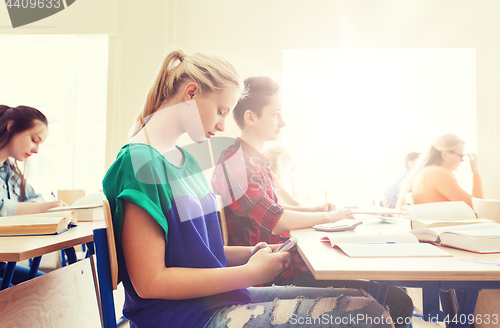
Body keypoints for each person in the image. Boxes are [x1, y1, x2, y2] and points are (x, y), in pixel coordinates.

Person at [102, 51, 393, 328]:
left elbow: (199, 254)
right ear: (191, 93)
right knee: (368, 315)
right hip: (183, 317)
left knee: (365, 303)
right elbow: (150, 281)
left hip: (210, 303)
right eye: (220, 110)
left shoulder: (185, 160)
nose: (222, 124)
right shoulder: (139, 164)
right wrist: (249, 273)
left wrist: (249, 254)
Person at [211, 76, 414, 328]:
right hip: (272, 275)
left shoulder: (253, 160)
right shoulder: (237, 162)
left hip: (283, 264)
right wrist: (329, 217)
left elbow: (273, 208)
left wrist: (315, 210)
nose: (282, 123)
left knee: (386, 286)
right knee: (397, 301)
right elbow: (275, 220)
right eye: (276, 114)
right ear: (251, 117)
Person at [0, 105, 66, 286]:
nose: (36, 150)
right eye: (34, 140)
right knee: (16, 297)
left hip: (1, 262)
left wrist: (37, 206)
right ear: (11, 126)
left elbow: (36, 197)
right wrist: (38, 208)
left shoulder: (9, 172)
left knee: (44, 284)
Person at [397, 133, 483, 209]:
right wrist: (475, 171)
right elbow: (478, 207)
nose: (462, 160)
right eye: (460, 155)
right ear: (445, 155)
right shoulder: (438, 174)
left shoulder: (424, 172)